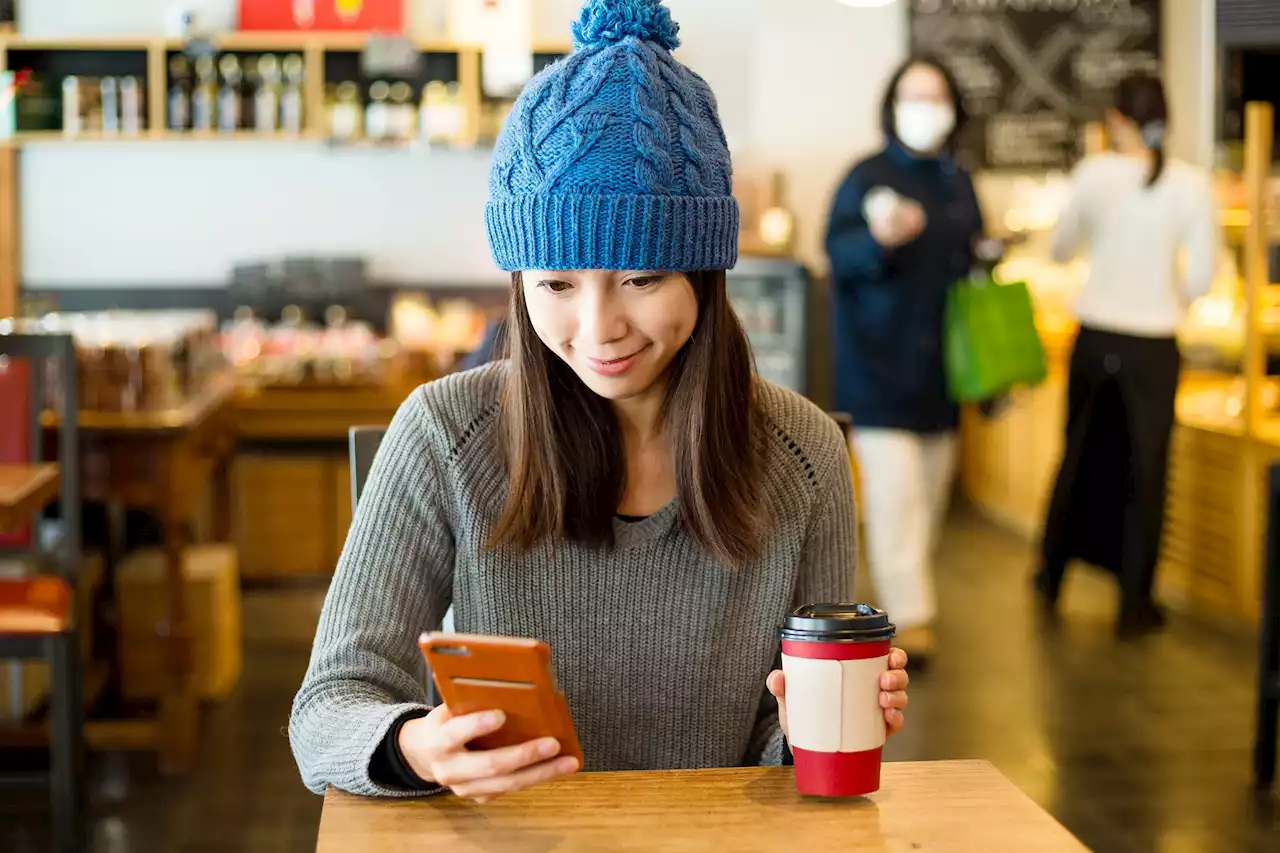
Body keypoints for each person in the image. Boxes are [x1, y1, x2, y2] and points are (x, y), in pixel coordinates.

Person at [290, 0, 910, 802]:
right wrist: (420, 746)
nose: (598, 328)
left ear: (705, 274)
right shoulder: (446, 430)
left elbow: (790, 767)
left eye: (641, 279)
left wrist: (816, 729)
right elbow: (328, 708)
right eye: (556, 284)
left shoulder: (803, 451)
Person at [1035, 73, 1218, 637]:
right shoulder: (1191, 184)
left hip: (1095, 339)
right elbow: (1204, 276)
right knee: (1148, 468)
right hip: (1155, 346)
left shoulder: (1095, 174)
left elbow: (1059, 249)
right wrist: (1168, 298)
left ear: (1115, 118)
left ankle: (1050, 576)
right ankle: (1135, 601)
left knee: (1079, 457)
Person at [824, 56, 985, 661]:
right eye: (913, 96)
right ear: (892, 105)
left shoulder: (957, 181)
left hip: (942, 373)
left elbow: (970, 255)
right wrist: (879, 240)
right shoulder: (864, 177)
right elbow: (838, 253)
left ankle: (904, 598)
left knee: (929, 500)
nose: (926, 108)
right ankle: (909, 621)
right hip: (876, 368)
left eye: (936, 96)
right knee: (897, 499)